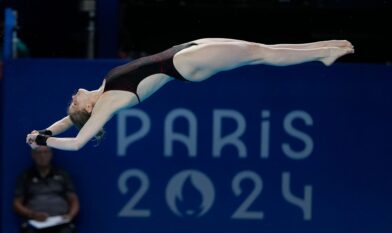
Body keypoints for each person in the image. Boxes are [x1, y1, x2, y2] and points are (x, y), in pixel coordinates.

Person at [26, 38, 354, 151]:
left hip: (181, 52)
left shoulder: (101, 91)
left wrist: (44, 131)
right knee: (259, 54)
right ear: (90, 108)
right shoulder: (110, 102)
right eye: (74, 102)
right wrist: (46, 143)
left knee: (258, 49)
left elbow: (69, 122)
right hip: (184, 65)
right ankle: (322, 53)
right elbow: (79, 140)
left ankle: (322, 50)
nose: (73, 99)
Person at [13, 146, 80, 233]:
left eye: (45, 152)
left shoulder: (62, 175)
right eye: (39, 153)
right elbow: (17, 203)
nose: (42, 156)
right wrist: (32, 214)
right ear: (33, 155)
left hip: (60, 222)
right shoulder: (25, 176)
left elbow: (74, 200)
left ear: (51, 154)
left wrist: (70, 215)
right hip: (35, 223)